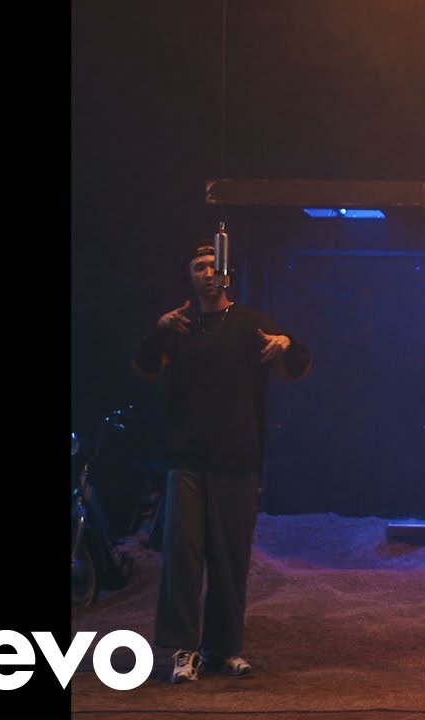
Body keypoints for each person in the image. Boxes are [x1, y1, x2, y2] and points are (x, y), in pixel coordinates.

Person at [133, 242, 312, 684]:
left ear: (228, 273)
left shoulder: (251, 324)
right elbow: (146, 367)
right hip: (188, 458)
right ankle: (183, 650)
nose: (209, 273)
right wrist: (157, 329)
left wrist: (287, 344)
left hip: (237, 457)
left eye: (215, 266)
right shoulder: (178, 326)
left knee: (230, 558)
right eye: (200, 267)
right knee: (182, 555)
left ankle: (224, 648)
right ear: (190, 277)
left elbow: (296, 364)